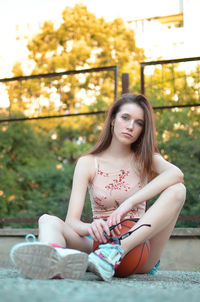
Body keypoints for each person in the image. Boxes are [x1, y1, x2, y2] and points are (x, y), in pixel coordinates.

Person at [10, 93, 186, 281]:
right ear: (112, 120)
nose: (130, 126)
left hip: (139, 249)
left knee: (178, 190)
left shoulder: (146, 158)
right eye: (125, 118)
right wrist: (91, 228)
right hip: (98, 246)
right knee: (47, 220)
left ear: (143, 129)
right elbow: (72, 222)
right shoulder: (88, 162)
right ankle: (54, 259)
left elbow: (176, 174)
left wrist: (130, 203)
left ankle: (115, 251)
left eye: (139, 123)